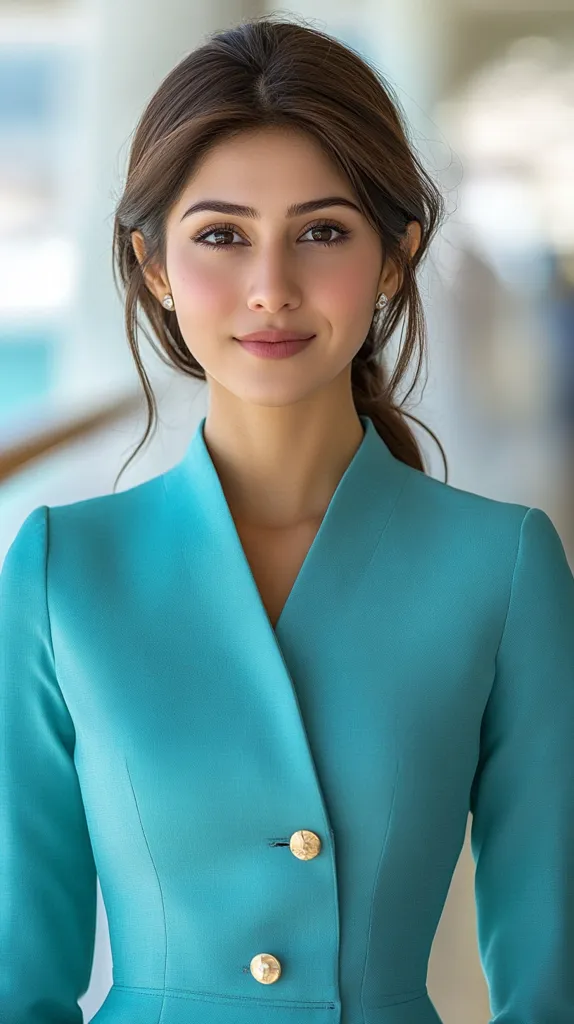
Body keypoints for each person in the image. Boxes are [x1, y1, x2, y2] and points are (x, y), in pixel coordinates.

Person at [1, 15, 573, 1024]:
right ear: (152, 265)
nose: (271, 289)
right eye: (222, 236)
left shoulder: (503, 568)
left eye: (321, 232)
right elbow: (15, 981)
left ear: (396, 256)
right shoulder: (61, 571)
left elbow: (552, 978)